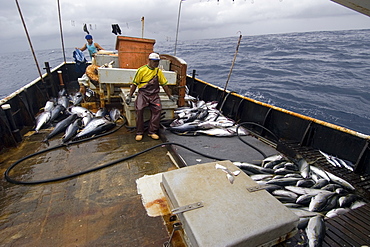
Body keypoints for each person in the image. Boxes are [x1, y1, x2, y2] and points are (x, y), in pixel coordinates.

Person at [126, 53, 177, 141]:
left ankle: (152, 132)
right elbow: (135, 84)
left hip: (154, 95)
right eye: (154, 62)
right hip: (143, 94)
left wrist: (170, 96)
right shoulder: (141, 70)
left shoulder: (158, 71)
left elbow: (164, 85)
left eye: (157, 62)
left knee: (158, 109)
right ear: (149, 61)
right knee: (139, 109)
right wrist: (130, 96)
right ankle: (139, 132)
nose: (156, 64)